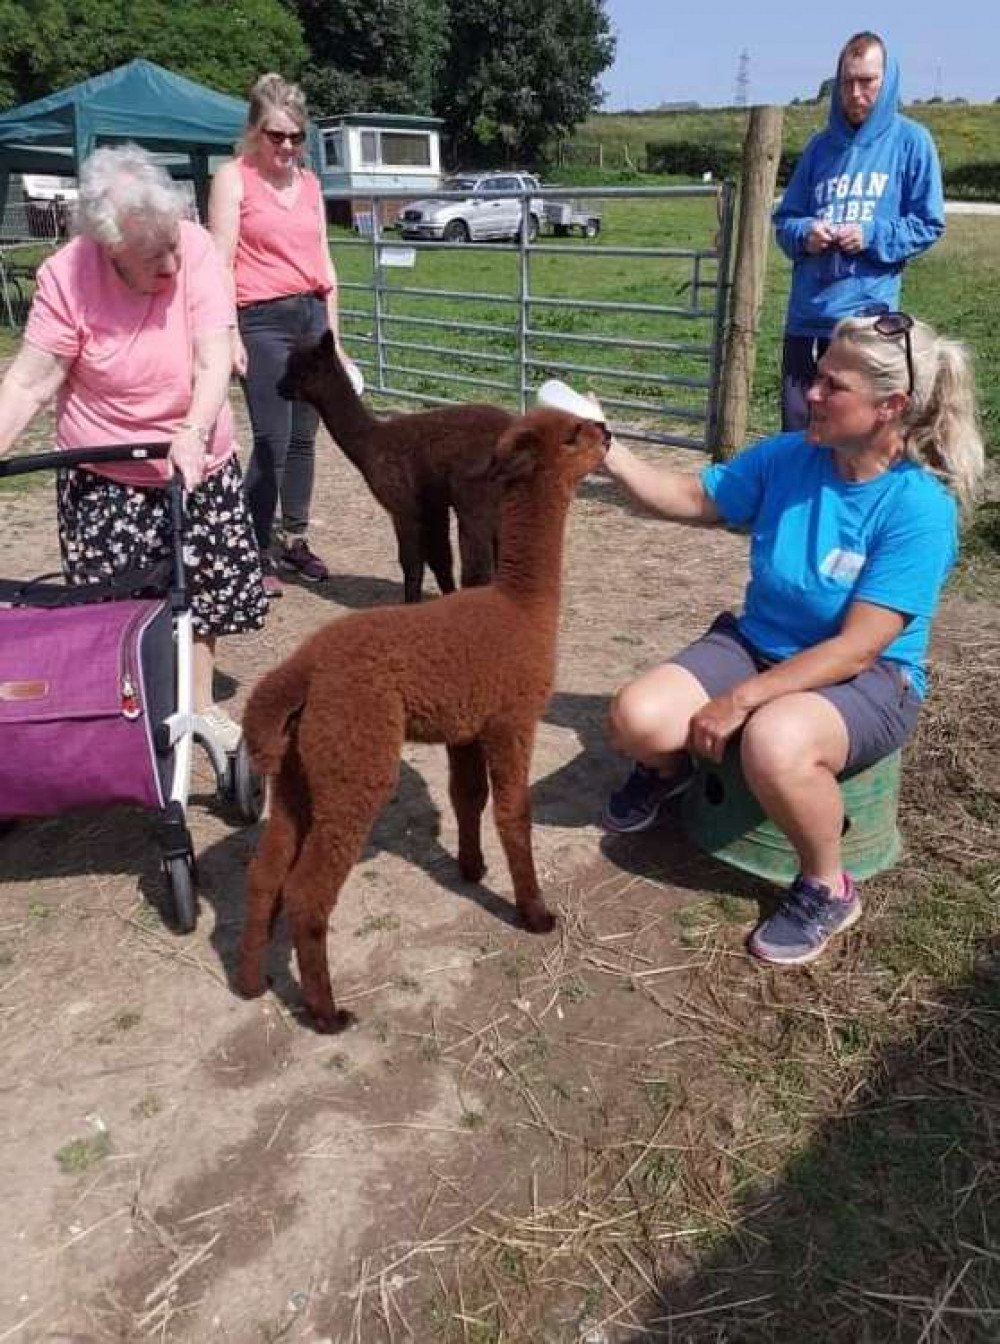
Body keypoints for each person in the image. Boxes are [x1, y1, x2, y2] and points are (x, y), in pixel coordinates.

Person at [600, 313, 983, 966]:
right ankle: (671, 771)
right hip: (758, 641)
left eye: (833, 385)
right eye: (816, 376)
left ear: (889, 407)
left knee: (776, 739)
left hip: (868, 679)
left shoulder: (917, 508)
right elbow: (691, 496)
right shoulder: (790, 457)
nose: (809, 392)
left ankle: (827, 884)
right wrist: (603, 446)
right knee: (635, 719)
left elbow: (858, 647)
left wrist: (742, 699)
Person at [0, 144, 266, 751]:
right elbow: (29, 382)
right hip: (105, 471)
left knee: (198, 590)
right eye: (154, 256)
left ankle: (200, 707)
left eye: (173, 241)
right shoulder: (68, 275)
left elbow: (212, 356)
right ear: (108, 248)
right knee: (114, 607)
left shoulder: (194, 249)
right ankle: (132, 716)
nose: (173, 262)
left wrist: (194, 430)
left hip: (194, 457)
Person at [209, 73, 344, 597]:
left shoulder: (310, 184)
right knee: (271, 440)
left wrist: (335, 334)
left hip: (311, 315)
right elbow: (219, 261)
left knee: (306, 437)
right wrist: (230, 333)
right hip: (261, 318)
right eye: (275, 135)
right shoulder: (233, 179)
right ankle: (254, 545)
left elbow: (325, 263)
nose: (286, 146)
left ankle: (294, 539)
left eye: (295, 136)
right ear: (254, 133)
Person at [774, 32, 945, 432]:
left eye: (866, 81)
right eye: (847, 81)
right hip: (806, 317)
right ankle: (798, 497)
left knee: (855, 434)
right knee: (800, 434)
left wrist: (871, 235)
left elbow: (928, 222)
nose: (855, 93)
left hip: (866, 322)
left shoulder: (911, 142)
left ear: (887, 81)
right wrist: (805, 234)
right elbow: (785, 221)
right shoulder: (819, 148)